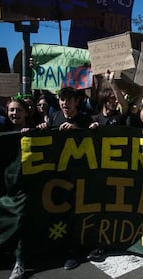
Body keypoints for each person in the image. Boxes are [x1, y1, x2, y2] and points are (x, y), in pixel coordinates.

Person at [37, 86, 97, 270]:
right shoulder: (55, 117)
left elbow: (95, 140)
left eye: (68, 100)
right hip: (59, 177)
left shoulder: (85, 119)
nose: (64, 103)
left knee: (79, 214)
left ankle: (78, 251)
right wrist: (42, 128)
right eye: (62, 100)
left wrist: (77, 130)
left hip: (80, 177)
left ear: (76, 101)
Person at [4, 97, 34, 279]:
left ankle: (19, 261)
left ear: (26, 113)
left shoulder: (34, 130)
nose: (14, 114)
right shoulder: (1, 131)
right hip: (5, 186)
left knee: (20, 220)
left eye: (18, 110)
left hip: (25, 185)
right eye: (11, 110)